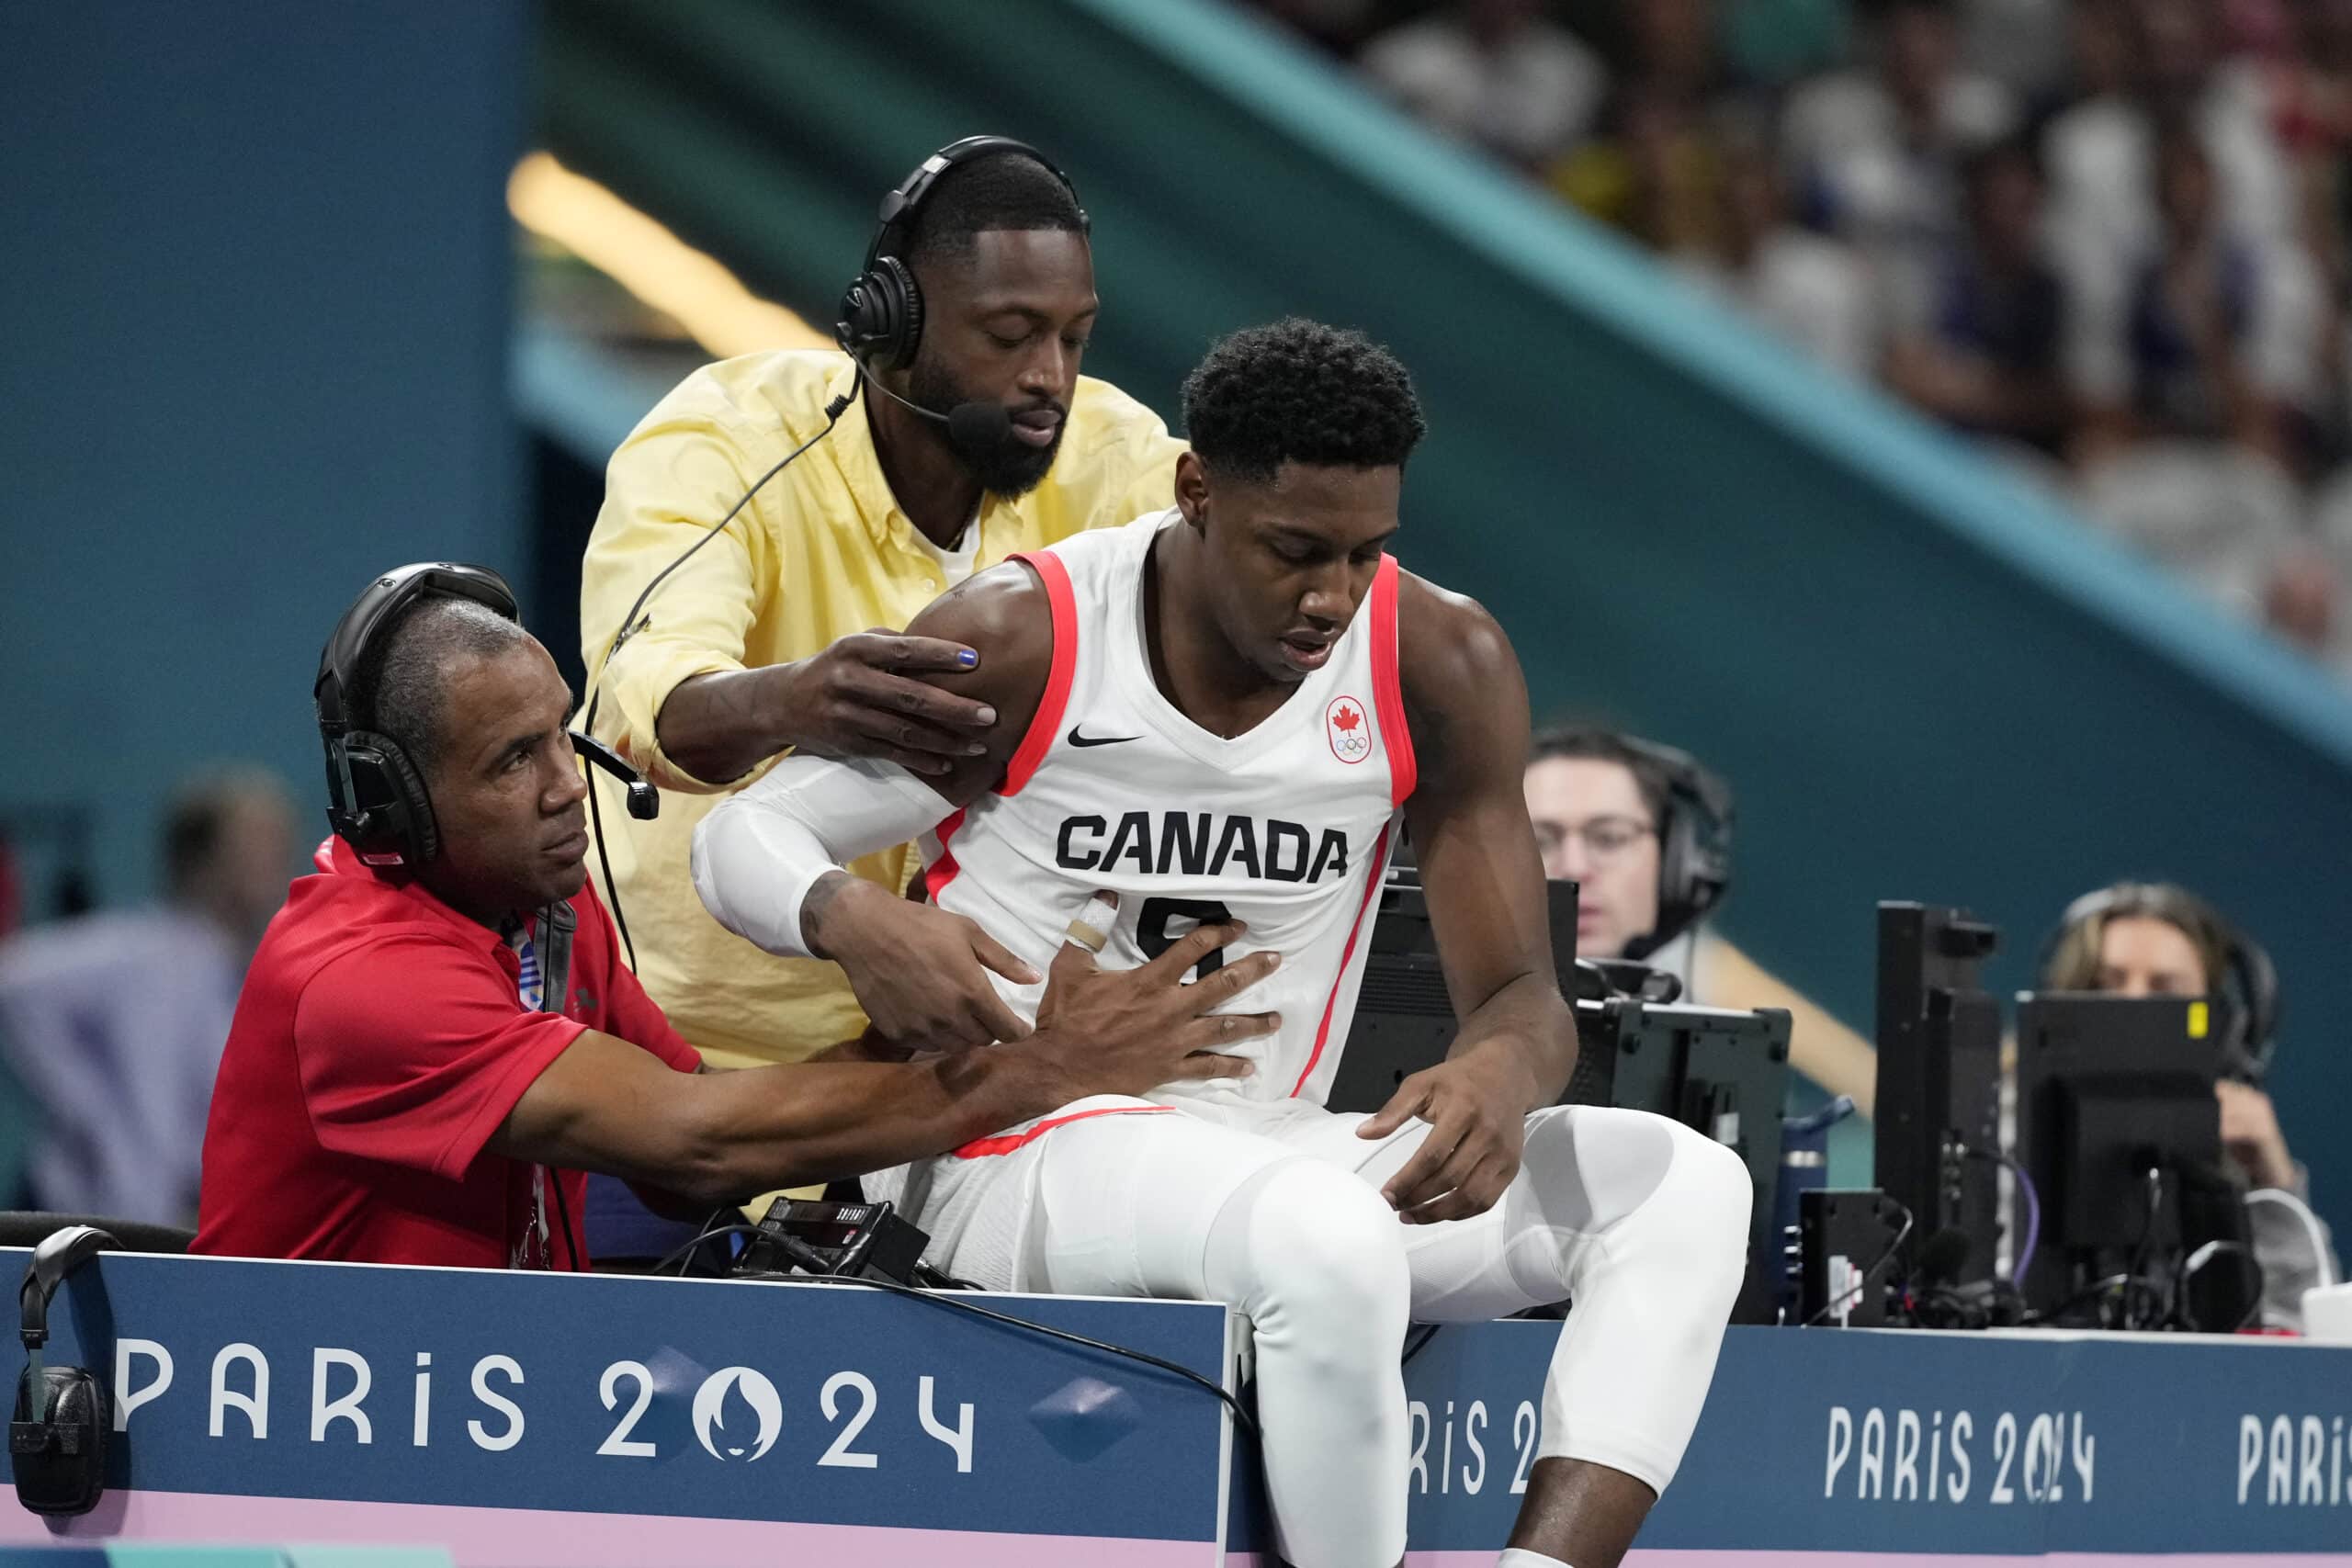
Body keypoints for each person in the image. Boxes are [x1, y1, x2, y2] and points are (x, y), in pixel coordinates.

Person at [695, 321, 1750, 1568]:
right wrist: (847, 913)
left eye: (1366, 553)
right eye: (1295, 551)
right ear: (1195, 488)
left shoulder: (1436, 659)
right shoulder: (1029, 637)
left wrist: (1500, 1073)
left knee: (1682, 1186)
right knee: (1327, 1238)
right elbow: (743, 836)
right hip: (1010, 1144)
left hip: (1267, 1145)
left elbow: (1525, 991)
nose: (1331, 597)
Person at [191, 566, 1276, 1269]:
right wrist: (1046, 1065)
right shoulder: (361, 981)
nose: (570, 785)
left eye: (562, 735)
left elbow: (693, 1132)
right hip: (300, 1454)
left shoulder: (546, 921)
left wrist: (912, 1030)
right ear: (397, 801)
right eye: (512, 761)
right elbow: (694, 1140)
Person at [577, 136, 1186, 1071]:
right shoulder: (726, 437)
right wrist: (793, 700)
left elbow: (1252, 576)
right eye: (1009, 333)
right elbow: (641, 704)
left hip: (968, 1065)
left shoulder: (1112, 453)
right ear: (889, 325)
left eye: (1072, 337)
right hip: (689, 1056)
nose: (1048, 378)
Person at [1522, 726, 1879, 1116]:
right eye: (1540, 841)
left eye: (1609, 838)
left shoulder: (1729, 1017)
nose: (1574, 867)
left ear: (1677, 866)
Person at [0, 768, 296, 1224]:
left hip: (166, 1221)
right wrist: (90, 1116)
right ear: (202, 859)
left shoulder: (233, 972)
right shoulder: (145, 955)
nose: (279, 858)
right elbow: (13, 984)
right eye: (259, 842)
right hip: (94, 1221)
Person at [2038, 880, 2339, 1326]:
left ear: (2228, 1030)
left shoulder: (2234, 1150)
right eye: (2106, 985)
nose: (2133, 1006)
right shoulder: (2002, 1126)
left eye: (2166, 991)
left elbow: (2301, 1332)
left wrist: (2272, 1179)